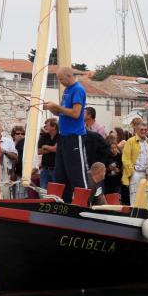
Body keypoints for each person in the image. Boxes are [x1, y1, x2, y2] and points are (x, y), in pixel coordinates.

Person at [43, 67, 88, 202]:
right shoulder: (67, 91)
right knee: (61, 173)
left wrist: (56, 106)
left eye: (61, 79)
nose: (60, 82)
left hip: (74, 136)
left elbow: (76, 113)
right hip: (63, 136)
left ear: (69, 76)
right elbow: (62, 112)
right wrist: (52, 108)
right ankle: (63, 202)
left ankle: (84, 202)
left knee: (77, 173)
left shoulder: (78, 89)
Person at [122, 122, 148, 205]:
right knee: (135, 198)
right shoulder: (130, 141)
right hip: (136, 173)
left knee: (145, 198)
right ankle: (134, 213)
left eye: (145, 130)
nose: (144, 131)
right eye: (141, 130)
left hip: (146, 173)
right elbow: (125, 159)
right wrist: (132, 171)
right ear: (137, 130)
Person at [38, 118, 59, 188]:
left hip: (56, 170)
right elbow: (39, 151)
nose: (45, 127)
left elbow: (57, 149)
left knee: (55, 192)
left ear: (54, 127)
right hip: (45, 169)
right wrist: (52, 148)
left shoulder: (61, 136)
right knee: (43, 191)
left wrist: (46, 146)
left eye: (47, 126)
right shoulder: (44, 136)